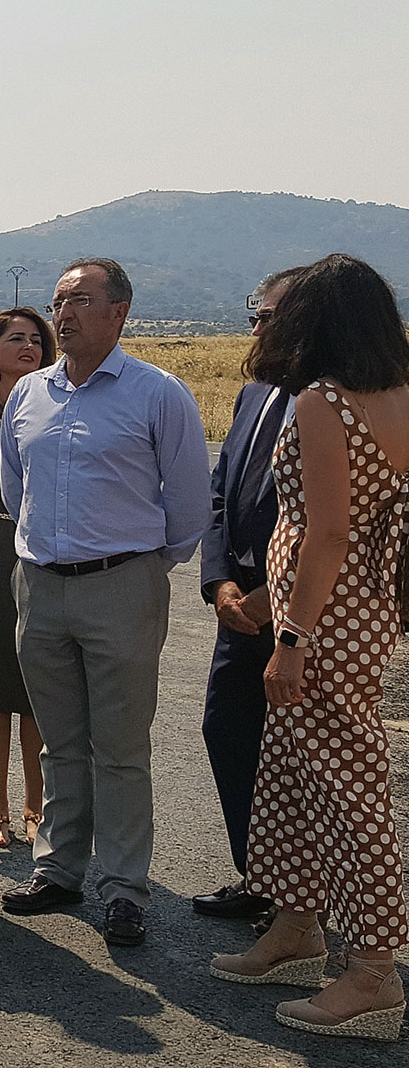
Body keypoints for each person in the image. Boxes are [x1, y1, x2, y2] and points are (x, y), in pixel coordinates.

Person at [211, 253, 409, 1042]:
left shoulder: (325, 401)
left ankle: (374, 972)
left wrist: (289, 637)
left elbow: (325, 531)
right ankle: (297, 927)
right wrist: (270, 602)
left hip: (323, 622)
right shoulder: (396, 394)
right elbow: (357, 526)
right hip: (355, 610)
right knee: (293, 775)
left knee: (347, 792)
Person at [0, 257, 209, 948]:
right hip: (41, 585)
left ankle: (123, 887)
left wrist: (141, 565)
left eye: (81, 300)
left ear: (119, 312)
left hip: (123, 584)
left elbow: (189, 503)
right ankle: (58, 870)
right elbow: (17, 490)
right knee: (60, 740)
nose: (63, 313)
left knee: (119, 746)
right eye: (59, 300)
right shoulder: (29, 394)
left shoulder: (158, 393)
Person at [191, 268, 308, 923]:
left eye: (268, 316)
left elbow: (337, 523)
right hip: (237, 609)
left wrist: (271, 595)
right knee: (229, 731)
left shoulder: (337, 401)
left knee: (300, 756)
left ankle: (304, 899)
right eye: (254, 314)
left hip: (302, 611)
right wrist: (221, 583)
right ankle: (261, 878)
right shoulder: (254, 393)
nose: (256, 326)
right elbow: (220, 495)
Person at [0, 308, 57, 848]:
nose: (29, 347)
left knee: (38, 689)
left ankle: (35, 805)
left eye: (37, 340)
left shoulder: (56, 405)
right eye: (16, 339)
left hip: (43, 554)